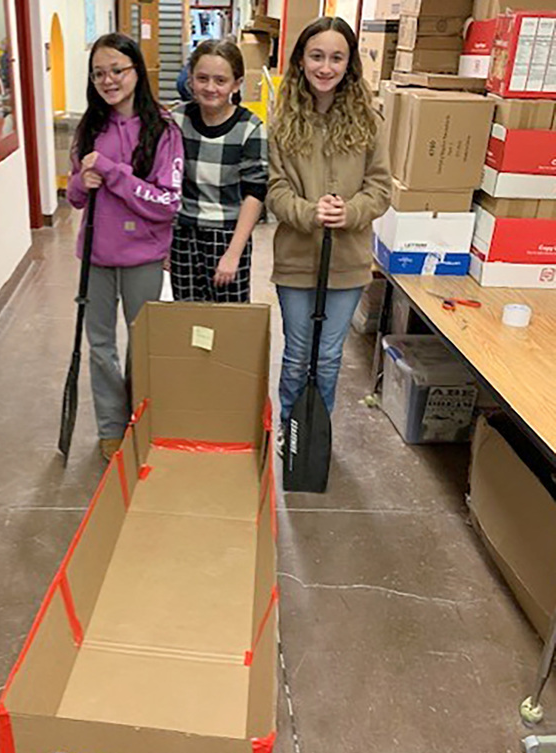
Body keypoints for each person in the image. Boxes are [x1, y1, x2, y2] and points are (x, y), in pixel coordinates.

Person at [267, 17, 390, 453]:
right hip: (298, 260)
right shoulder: (282, 122)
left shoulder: (368, 122)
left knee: (329, 356)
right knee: (299, 353)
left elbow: (380, 188)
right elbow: (275, 188)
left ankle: (316, 430)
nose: (326, 66)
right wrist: (308, 213)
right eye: (317, 55)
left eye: (337, 57)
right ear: (301, 60)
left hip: (348, 262)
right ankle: (290, 426)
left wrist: (350, 211)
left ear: (349, 64)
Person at [67, 33, 184, 461]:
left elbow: (167, 202)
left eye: (117, 69)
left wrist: (114, 173)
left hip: (143, 258)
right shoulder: (89, 127)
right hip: (95, 255)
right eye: (99, 72)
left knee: (142, 345)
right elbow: (75, 197)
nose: (109, 79)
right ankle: (111, 428)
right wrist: (83, 180)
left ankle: (141, 419)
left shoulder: (163, 129)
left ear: (137, 70)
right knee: (100, 346)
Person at [170, 39, 268, 303]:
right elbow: (166, 183)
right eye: (202, 78)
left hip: (228, 234)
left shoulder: (250, 128)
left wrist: (233, 253)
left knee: (229, 321)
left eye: (220, 80)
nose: (210, 87)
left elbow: (255, 193)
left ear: (236, 84)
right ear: (190, 79)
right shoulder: (176, 120)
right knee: (186, 315)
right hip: (183, 232)